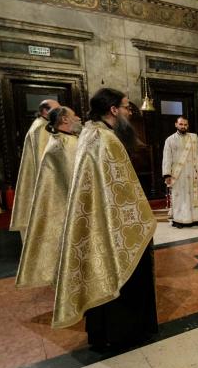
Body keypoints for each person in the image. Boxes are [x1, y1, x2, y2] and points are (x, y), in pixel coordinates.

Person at [53, 88, 158, 350]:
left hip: (95, 219)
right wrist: (143, 220)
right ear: (113, 110)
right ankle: (127, 332)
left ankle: (104, 333)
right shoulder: (107, 139)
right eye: (125, 107)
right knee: (127, 272)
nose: (128, 112)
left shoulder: (89, 133)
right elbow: (125, 191)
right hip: (113, 222)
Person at [16, 106, 82, 288]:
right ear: (64, 120)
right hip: (66, 207)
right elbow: (73, 179)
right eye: (73, 115)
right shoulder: (60, 145)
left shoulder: (67, 139)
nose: (78, 117)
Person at [10, 99, 60, 239]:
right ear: (45, 111)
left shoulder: (45, 125)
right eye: (56, 109)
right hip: (41, 182)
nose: (59, 112)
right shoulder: (41, 128)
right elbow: (43, 160)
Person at [162, 116, 198, 228]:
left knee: (193, 196)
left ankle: (195, 219)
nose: (183, 126)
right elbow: (167, 158)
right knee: (179, 197)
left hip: (192, 173)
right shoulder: (170, 140)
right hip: (177, 174)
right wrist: (167, 174)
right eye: (181, 124)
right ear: (176, 125)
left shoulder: (193, 138)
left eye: (185, 125)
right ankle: (179, 220)